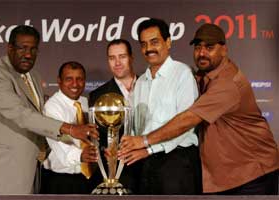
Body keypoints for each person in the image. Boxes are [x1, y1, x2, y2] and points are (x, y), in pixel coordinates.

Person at [118, 23, 279, 195]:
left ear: (224, 49)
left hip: (252, 172)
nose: (202, 53)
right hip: (222, 175)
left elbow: (188, 120)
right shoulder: (199, 76)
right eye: (198, 47)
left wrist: (144, 141)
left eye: (209, 47)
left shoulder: (228, 83)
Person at [0, 25, 98, 194]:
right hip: (0, 171)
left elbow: (37, 119)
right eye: (22, 48)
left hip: (30, 169)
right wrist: (71, 129)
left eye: (33, 49)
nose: (28, 54)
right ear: (10, 48)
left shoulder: (33, 76)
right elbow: (22, 115)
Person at [120, 18, 201, 195]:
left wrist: (148, 148)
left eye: (154, 42)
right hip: (145, 163)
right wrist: (127, 145)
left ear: (168, 42)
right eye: (144, 44)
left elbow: (186, 124)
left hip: (176, 163)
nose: (149, 49)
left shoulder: (182, 74)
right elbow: (135, 126)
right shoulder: (140, 82)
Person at [40, 61, 100, 194]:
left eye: (79, 79)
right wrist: (81, 155)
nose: (75, 84)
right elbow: (58, 143)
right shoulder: (52, 107)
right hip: (62, 182)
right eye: (69, 79)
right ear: (59, 81)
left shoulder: (86, 103)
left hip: (91, 179)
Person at [88, 39, 139, 193]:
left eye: (122, 56)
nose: (117, 62)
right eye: (112, 58)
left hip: (152, 167)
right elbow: (98, 137)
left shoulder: (149, 85)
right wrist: (107, 150)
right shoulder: (97, 95)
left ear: (131, 57)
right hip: (119, 172)